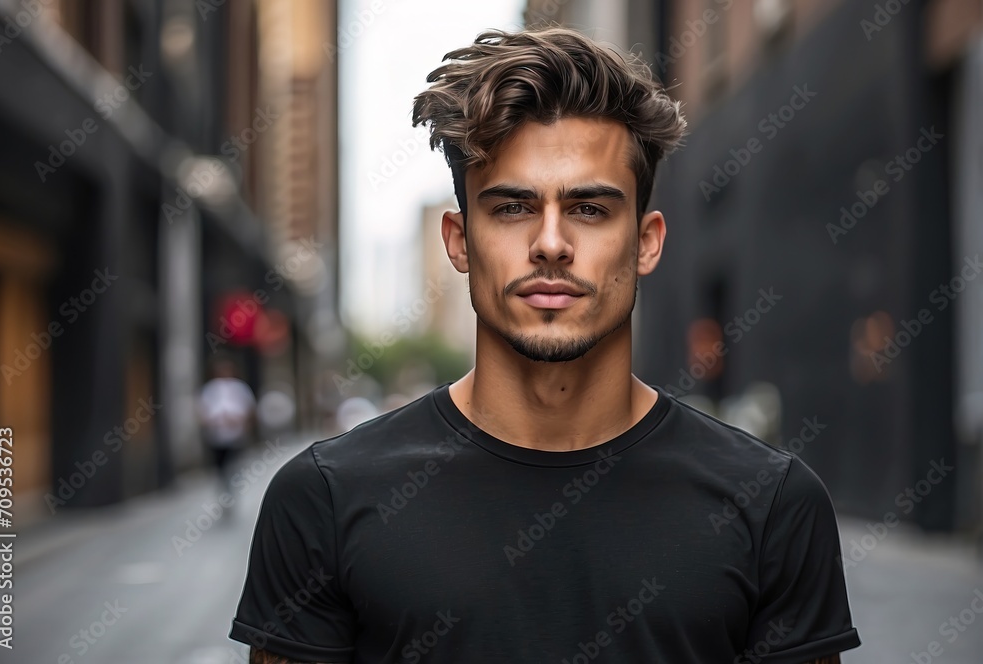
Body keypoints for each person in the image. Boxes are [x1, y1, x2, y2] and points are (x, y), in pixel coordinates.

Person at [230, 27, 861, 663]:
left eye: (589, 209)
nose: (551, 244)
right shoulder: (324, 499)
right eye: (511, 208)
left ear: (646, 241)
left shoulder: (772, 505)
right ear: (459, 240)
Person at [198, 356, 256, 498]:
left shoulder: (240, 388)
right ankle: (224, 489)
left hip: (236, 434)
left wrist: (240, 422)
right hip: (216, 435)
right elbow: (202, 411)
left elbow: (250, 409)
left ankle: (233, 488)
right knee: (220, 466)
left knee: (234, 464)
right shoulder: (209, 389)